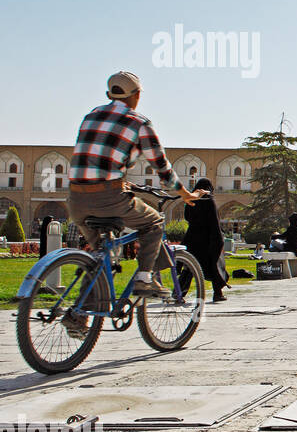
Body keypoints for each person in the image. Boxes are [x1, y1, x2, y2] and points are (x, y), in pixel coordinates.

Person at [67, 72, 207, 315]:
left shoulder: (91, 115)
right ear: (138, 95)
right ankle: (144, 278)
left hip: (76, 200)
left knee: (102, 256)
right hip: (109, 199)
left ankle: (80, 315)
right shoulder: (139, 123)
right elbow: (162, 167)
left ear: (109, 94)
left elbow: (94, 161)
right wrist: (185, 194)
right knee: (154, 222)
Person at [180, 177, 228, 302]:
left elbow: (187, 217)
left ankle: (179, 293)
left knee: (190, 267)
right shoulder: (209, 200)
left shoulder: (191, 200)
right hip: (208, 238)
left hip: (192, 237)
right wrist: (219, 239)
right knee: (214, 265)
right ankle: (218, 294)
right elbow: (214, 222)